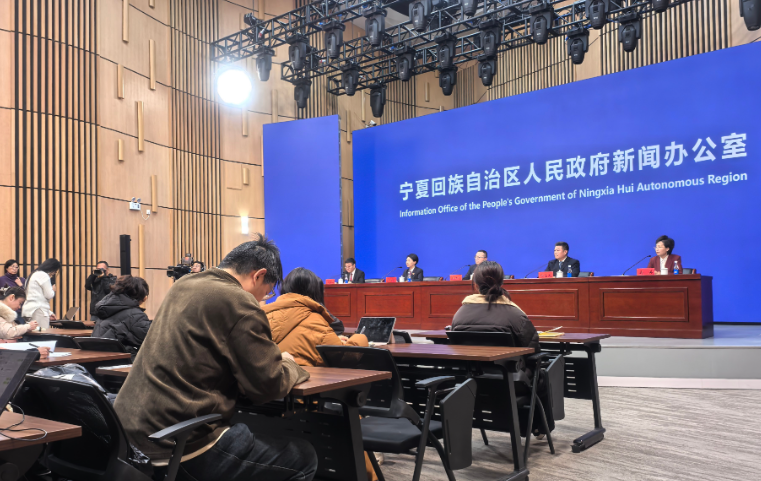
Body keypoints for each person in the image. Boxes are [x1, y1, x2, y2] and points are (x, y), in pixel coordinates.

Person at [114, 234, 317, 481]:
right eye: (267, 292)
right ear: (258, 275)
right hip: (178, 446)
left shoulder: (183, 285)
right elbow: (269, 385)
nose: (263, 299)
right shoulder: (238, 301)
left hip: (128, 438)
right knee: (303, 456)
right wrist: (290, 364)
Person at [265, 267, 369, 367]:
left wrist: (333, 339)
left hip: (271, 377)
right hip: (300, 377)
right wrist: (360, 337)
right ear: (313, 291)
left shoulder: (264, 314)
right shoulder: (315, 320)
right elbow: (344, 357)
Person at [451, 261, 539, 351]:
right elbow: (533, 349)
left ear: (475, 285)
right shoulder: (516, 315)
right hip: (508, 360)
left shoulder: (459, 315)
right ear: (501, 283)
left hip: (470, 360)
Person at [92, 276, 151, 360]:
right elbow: (152, 341)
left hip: (98, 361)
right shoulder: (136, 316)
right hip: (122, 362)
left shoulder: (106, 310)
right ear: (144, 297)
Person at [21, 258, 61, 328]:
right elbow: (49, 295)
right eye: (55, 271)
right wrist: (53, 290)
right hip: (38, 310)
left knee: (33, 333)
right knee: (43, 333)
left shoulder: (33, 274)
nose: (54, 273)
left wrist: (49, 312)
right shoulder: (43, 275)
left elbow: (37, 297)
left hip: (29, 310)